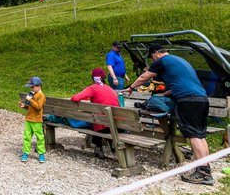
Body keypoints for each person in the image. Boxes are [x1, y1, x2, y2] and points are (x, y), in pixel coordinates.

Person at [122, 44, 214, 185]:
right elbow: (180, 83)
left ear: (156, 53)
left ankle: (203, 173)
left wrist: (130, 88)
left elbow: (143, 77)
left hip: (188, 100)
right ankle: (205, 169)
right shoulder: (179, 61)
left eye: (152, 57)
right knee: (200, 135)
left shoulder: (162, 61)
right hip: (201, 99)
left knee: (194, 136)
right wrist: (164, 93)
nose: (153, 61)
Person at [71, 67, 120, 159]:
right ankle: (111, 144)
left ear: (93, 78)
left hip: (102, 126)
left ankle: (99, 147)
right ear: (104, 77)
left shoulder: (92, 89)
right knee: (99, 119)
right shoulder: (111, 89)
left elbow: (75, 98)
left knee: (93, 121)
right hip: (117, 125)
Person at [19, 76, 47, 163]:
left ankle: (41, 154)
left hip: (37, 120)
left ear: (39, 86)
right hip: (29, 119)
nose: (31, 88)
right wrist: (25, 106)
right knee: (27, 137)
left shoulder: (41, 96)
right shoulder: (33, 94)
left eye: (33, 87)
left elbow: (38, 107)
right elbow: (31, 107)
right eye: (31, 87)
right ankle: (25, 153)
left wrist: (30, 100)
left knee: (40, 137)